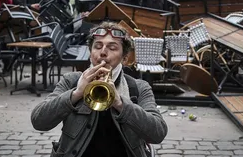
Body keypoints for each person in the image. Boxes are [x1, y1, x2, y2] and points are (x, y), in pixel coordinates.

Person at [31, 22, 167, 157]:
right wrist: (76, 93)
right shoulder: (70, 81)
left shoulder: (139, 87)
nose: (103, 52)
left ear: (124, 58)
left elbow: (158, 134)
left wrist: (120, 103)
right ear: (90, 53)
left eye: (112, 48)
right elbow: (39, 121)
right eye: (97, 46)